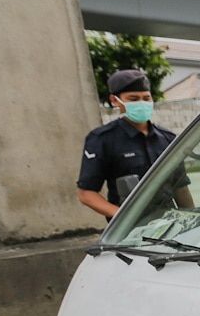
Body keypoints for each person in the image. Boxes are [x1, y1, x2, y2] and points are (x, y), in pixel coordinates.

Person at [76, 69, 185, 220]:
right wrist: (123, 216)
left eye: (146, 98)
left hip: (170, 224)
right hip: (130, 231)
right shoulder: (102, 139)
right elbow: (86, 194)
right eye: (133, 99)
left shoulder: (168, 139)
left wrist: (193, 222)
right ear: (115, 101)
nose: (142, 103)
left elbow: (180, 187)